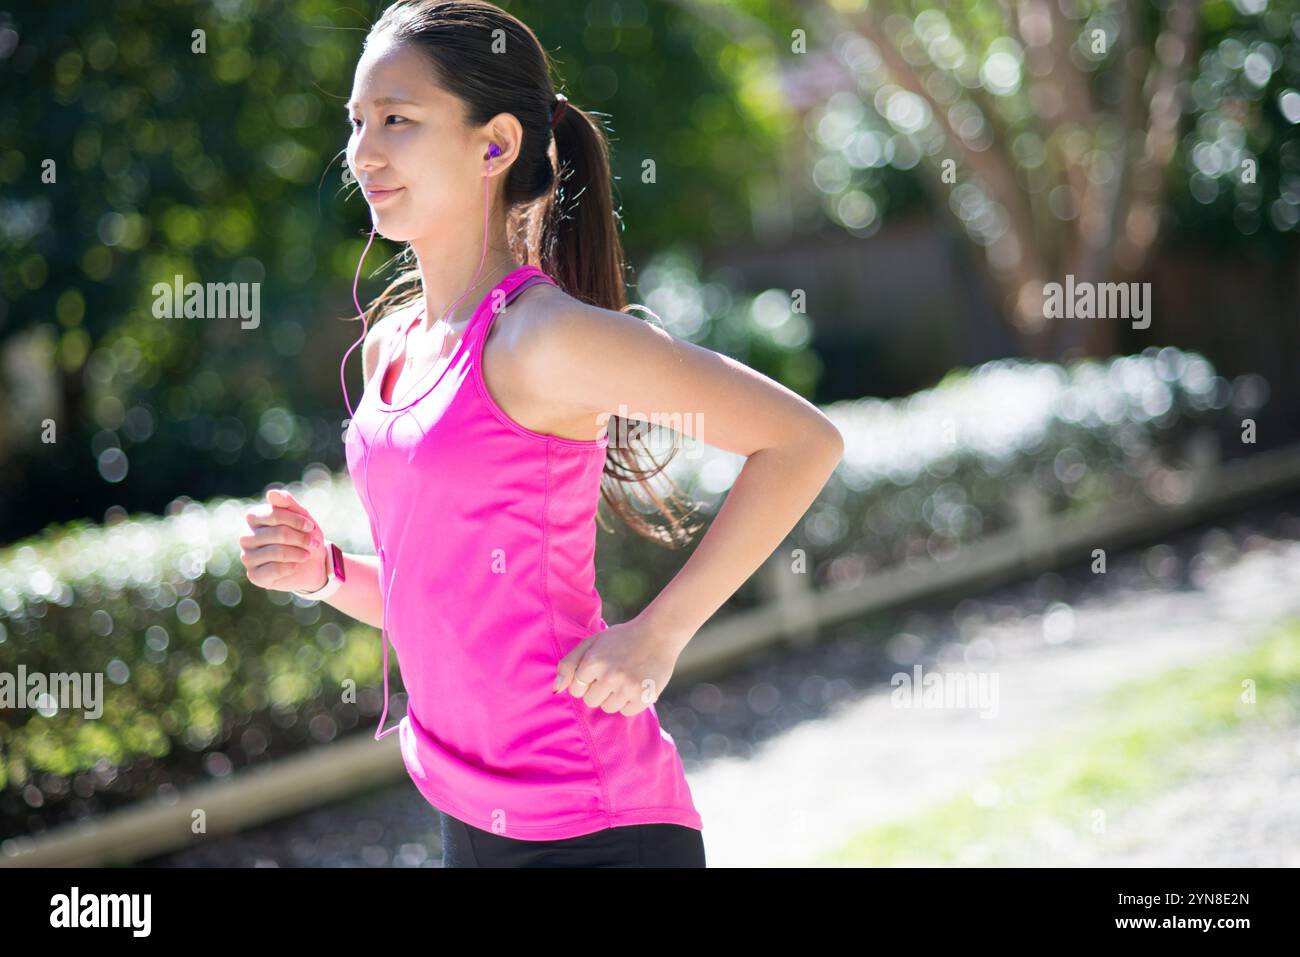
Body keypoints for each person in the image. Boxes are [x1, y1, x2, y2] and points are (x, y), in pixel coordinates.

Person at [239, 0, 843, 868]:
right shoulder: (391, 345)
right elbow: (431, 595)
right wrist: (324, 573)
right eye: (358, 121)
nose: (364, 152)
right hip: (465, 814)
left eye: (398, 120)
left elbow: (800, 440)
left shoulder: (542, 338)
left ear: (495, 145)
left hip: (594, 821)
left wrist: (660, 634)